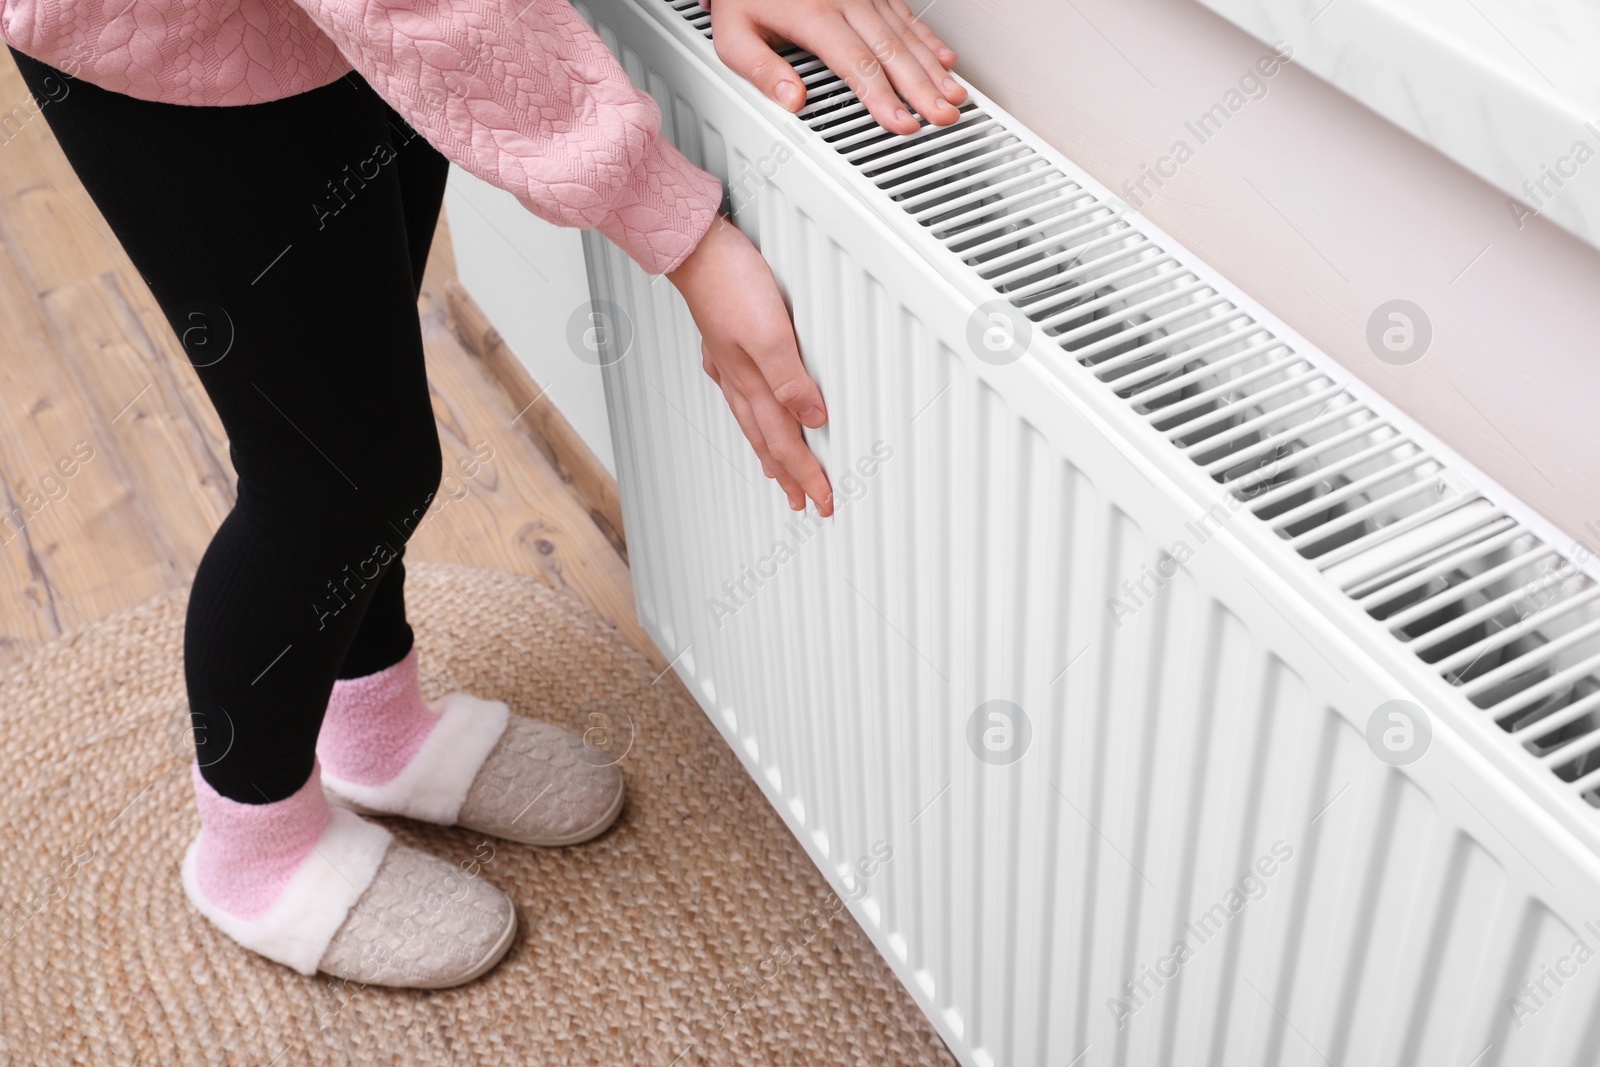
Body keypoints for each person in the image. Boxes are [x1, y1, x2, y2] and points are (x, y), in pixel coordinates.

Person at [1, 0, 964, 987]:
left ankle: (370, 722)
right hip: (169, 36)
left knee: (363, 405)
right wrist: (681, 232)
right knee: (333, 479)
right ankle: (255, 848)